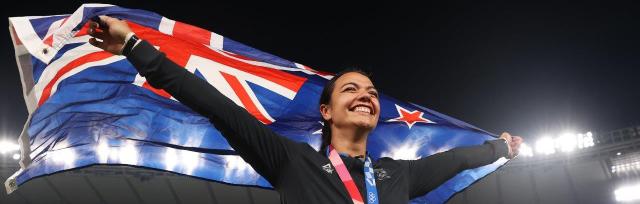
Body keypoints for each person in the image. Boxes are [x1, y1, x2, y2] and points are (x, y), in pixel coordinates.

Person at [87, 15, 523, 204]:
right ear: (326, 113)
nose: (366, 95)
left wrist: (500, 148)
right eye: (351, 89)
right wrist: (132, 45)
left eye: (371, 91)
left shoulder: (397, 177)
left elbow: (455, 160)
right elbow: (211, 102)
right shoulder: (292, 162)